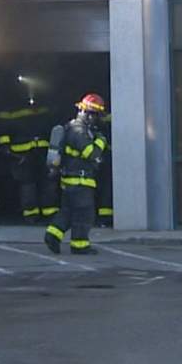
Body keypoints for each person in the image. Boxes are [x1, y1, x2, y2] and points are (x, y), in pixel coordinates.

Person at [44, 93, 107, 256]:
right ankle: (80, 245)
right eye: (96, 115)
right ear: (88, 113)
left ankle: (52, 236)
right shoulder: (78, 131)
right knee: (84, 214)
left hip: (71, 180)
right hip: (80, 180)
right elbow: (90, 153)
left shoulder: (72, 128)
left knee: (68, 212)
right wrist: (101, 141)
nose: (97, 119)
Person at [0, 99, 56, 223]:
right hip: (22, 153)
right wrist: (6, 146)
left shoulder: (44, 107)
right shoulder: (9, 109)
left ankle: (48, 212)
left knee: (47, 182)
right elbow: (3, 129)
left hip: (42, 150)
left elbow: (53, 128)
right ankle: (31, 214)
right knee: (29, 184)